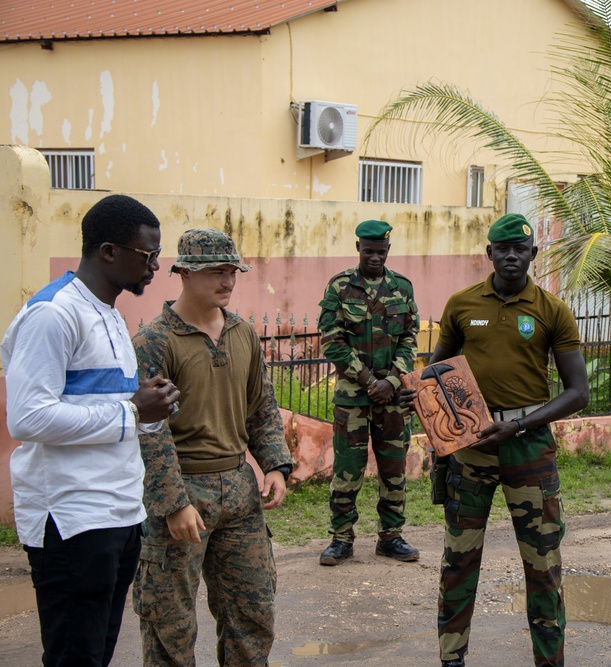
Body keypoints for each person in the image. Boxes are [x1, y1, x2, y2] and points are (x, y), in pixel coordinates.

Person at [402, 213, 589, 667]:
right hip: (471, 450)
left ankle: (550, 662)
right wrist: (423, 397)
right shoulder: (463, 305)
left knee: (543, 565)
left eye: (519, 249)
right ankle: (452, 659)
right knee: (459, 561)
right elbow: (437, 370)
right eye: (502, 249)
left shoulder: (551, 310)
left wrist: (520, 426)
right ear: (489, 253)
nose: (511, 256)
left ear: (532, 254)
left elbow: (577, 392)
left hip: (528, 449)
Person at [2, 194, 180, 667]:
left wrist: (149, 409)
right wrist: (131, 413)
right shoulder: (53, 314)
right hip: (72, 517)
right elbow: (27, 417)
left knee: (96, 653)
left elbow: (112, 410)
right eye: (148, 256)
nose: (155, 266)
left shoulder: (109, 315)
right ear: (107, 251)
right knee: (73, 656)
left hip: (118, 511)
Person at [131, 228, 293, 666]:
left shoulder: (242, 334)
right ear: (182, 273)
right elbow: (150, 431)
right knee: (170, 624)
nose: (227, 281)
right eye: (214, 272)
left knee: (252, 613)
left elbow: (260, 406)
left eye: (232, 271)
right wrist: (172, 503)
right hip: (184, 491)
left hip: (240, 491)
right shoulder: (155, 342)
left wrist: (275, 465)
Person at [317, 219, 421, 565]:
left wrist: (391, 381)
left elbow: (410, 338)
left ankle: (391, 537)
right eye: (368, 250)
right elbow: (332, 342)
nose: (374, 257)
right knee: (348, 470)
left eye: (381, 251)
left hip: (392, 399)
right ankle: (341, 539)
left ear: (388, 251)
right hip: (353, 400)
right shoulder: (340, 287)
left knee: (394, 469)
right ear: (358, 248)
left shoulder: (402, 288)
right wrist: (367, 380)